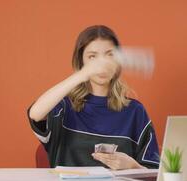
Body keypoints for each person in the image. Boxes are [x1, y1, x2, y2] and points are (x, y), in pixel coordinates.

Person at [28, 25, 159, 170]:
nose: (101, 64)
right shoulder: (64, 107)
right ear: (81, 61)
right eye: (92, 57)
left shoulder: (135, 111)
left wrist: (134, 166)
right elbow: (35, 114)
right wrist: (83, 74)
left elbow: (154, 174)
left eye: (110, 55)